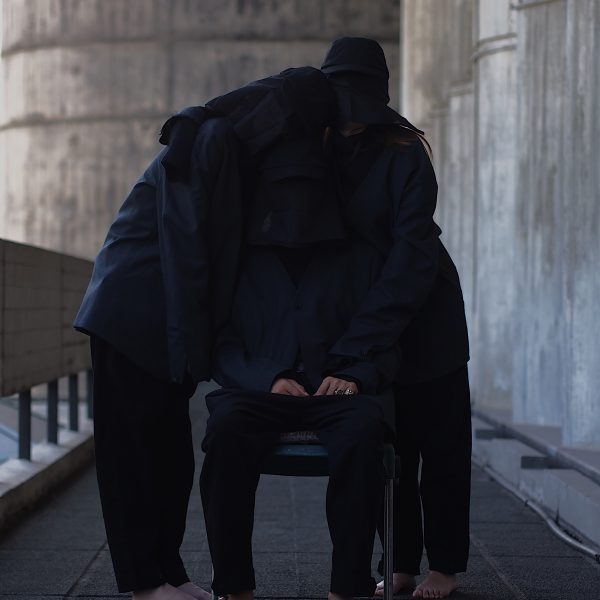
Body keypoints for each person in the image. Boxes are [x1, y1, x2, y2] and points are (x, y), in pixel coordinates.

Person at [74, 67, 337, 600]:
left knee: (170, 455)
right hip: (132, 310)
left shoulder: (229, 144)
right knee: (132, 455)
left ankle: (169, 573)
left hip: (163, 314)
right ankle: (145, 583)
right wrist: (193, 350)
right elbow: (187, 251)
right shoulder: (213, 140)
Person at [200, 130, 400, 600]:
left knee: (364, 430)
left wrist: (353, 377)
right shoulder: (241, 261)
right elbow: (221, 343)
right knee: (225, 430)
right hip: (259, 394)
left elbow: (388, 341)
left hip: (339, 394)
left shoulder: (361, 257)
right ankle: (234, 588)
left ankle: (347, 587)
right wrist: (267, 378)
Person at [319, 38, 471, 599]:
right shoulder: (318, 147)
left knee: (442, 447)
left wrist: (359, 343)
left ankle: (445, 567)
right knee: (395, 447)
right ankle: (402, 562)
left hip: (428, 317)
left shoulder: (406, 152)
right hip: (368, 323)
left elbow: (411, 258)